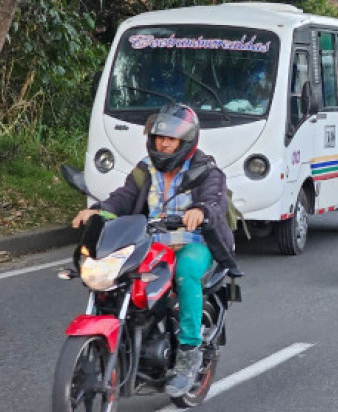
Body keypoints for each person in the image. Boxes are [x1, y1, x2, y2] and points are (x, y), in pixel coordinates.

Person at [71, 103, 236, 397]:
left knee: (186, 272)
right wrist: (97, 211)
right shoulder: (144, 169)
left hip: (194, 242)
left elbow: (215, 201)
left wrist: (200, 211)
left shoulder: (207, 171)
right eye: (159, 137)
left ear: (186, 141)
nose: (163, 143)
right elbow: (123, 198)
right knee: (119, 275)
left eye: (170, 138)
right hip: (152, 242)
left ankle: (188, 353)